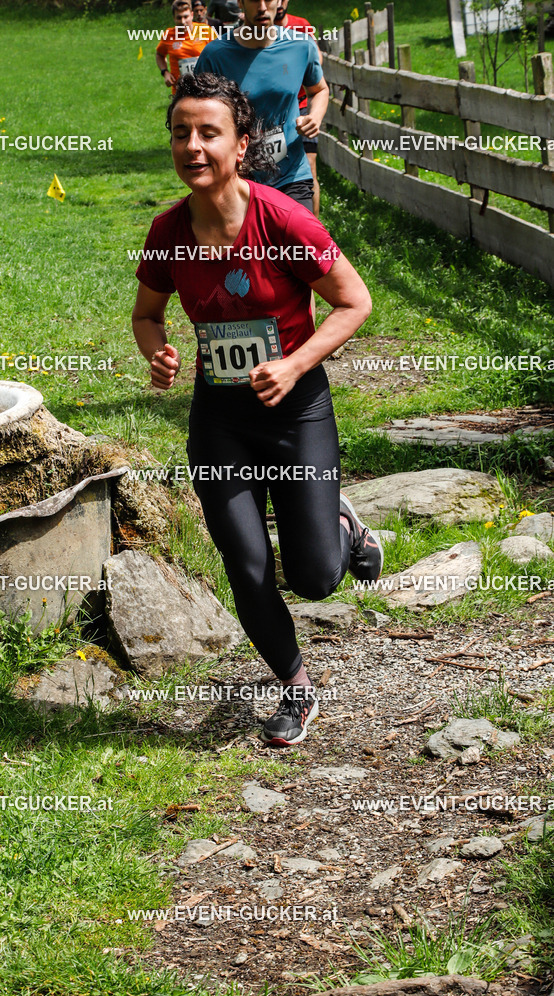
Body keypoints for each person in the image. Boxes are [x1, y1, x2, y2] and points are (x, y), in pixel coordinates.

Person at [132, 73, 381, 746]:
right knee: (245, 564)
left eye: (209, 132)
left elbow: (353, 302)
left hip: (297, 410)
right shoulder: (166, 233)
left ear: (241, 146)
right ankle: (296, 688)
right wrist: (157, 353)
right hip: (221, 420)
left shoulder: (284, 219)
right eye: (181, 132)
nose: (193, 145)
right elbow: (147, 316)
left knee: (315, 578)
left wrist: (296, 363)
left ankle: (339, 525)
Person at [194, 0, 329, 213]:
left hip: (291, 175)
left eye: (269, 0)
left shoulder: (301, 45)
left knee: (301, 245)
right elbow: (196, 112)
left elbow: (319, 89)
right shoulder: (215, 55)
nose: (262, 7)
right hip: (237, 180)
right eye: (255, 0)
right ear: (241, 2)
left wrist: (315, 117)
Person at [274, 0, 323, 217]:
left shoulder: (301, 26)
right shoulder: (247, 36)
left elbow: (316, 61)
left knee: (309, 168)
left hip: (301, 108)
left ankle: (313, 227)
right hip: (273, 114)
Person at [156, 0, 216, 95]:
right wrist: (165, 72)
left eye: (186, 17)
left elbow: (218, 53)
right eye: (179, 18)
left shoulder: (205, 30)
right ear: (174, 18)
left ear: (192, 15)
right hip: (180, 91)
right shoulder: (169, 35)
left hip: (204, 88)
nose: (183, 21)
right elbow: (159, 55)